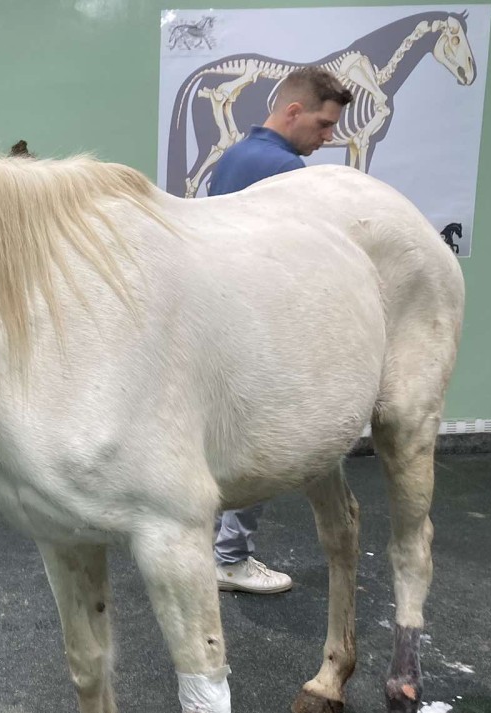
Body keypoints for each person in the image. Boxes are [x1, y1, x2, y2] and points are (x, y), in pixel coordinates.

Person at [208, 67, 354, 594]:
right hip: (258, 328)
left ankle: (214, 551)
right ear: (292, 111)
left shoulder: (232, 158)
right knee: (259, 445)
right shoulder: (289, 171)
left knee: (222, 441)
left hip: (220, 324)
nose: (328, 136)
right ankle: (230, 557)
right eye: (322, 123)